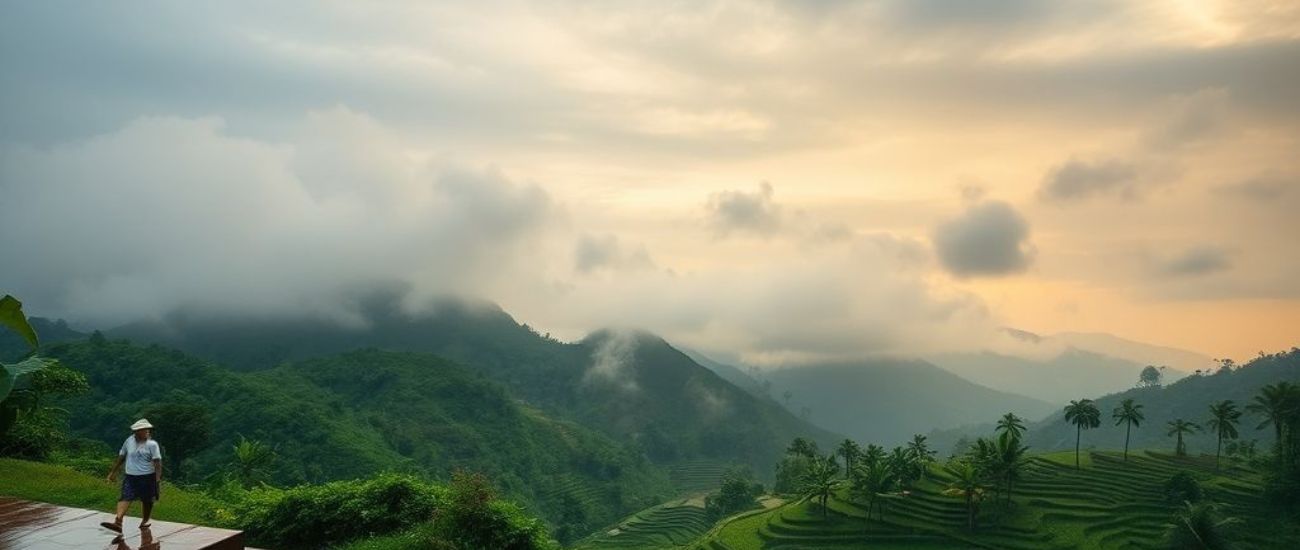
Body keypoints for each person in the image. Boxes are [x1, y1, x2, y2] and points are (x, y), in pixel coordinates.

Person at [100, 419, 162, 533]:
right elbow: (122, 456)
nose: (148, 432)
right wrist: (112, 472)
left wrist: (157, 479)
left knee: (147, 500)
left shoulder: (152, 444)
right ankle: (118, 521)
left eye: (148, 430)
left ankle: (145, 520)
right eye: (145, 430)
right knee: (125, 496)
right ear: (137, 431)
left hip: (147, 476)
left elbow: (157, 462)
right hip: (131, 476)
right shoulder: (129, 441)